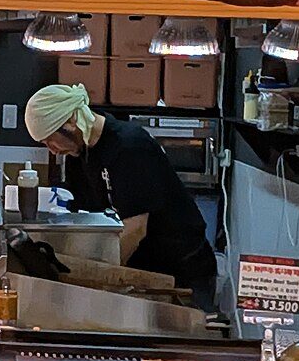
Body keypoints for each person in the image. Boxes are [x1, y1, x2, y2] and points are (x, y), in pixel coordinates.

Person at [23, 79, 218, 308]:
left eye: (49, 140)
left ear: (71, 122)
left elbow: (135, 229)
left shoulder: (129, 147)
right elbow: (89, 218)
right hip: (147, 272)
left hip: (183, 274)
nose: (52, 150)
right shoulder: (82, 155)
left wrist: (100, 278)